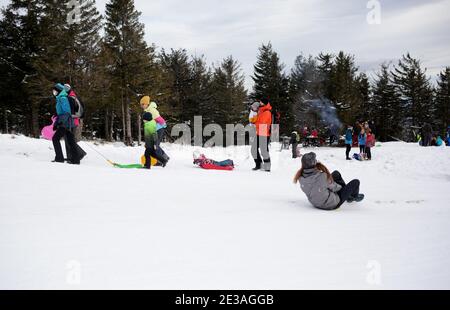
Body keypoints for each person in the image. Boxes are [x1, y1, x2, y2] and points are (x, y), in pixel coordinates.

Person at [294, 152, 365, 211]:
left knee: (336, 174)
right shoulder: (322, 176)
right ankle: (352, 197)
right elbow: (336, 188)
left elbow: (315, 186)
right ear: (314, 163)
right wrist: (344, 189)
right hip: (331, 204)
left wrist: (324, 187)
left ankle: (348, 196)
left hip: (315, 203)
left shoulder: (300, 177)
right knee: (356, 182)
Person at [51, 83, 79, 164]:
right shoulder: (61, 98)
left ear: (59, 91)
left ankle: (59, 158)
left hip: (65, 123)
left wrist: (60, 122)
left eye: (55, 91)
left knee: (55, 139)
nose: (54, 92)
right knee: (71, 141)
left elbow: (67, 112)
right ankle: (75, 159)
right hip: (66, 123)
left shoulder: (63, 98)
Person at [140, 96, 170, 163]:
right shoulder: (148, 110)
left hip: (159, 129)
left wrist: (163, 125)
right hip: (155, 129)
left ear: (146, 104)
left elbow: (159, 119)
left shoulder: (152, 110)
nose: (141, 106)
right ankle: (165, 157)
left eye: (142, 104)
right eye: (141, 104)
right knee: (155, 145)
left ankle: (160, 160)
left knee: (155, 145)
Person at [63, 84, 86, 163]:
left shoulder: (70, 97)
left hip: (71, 121)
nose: (64, 90)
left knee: (69, 139)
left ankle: (78, 154)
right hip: (74, 121)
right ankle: (72, 156)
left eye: (66, 88)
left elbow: (70, 111)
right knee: (69, 139)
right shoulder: (74, 96)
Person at [252, 98, 272, 172]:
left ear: (264, 103)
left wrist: (255, 124)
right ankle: (259, 164)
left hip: (264, 133)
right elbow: (257, 120)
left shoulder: (267, 112)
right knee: (253, 149)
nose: (259, 103)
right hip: (259, 132)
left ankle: (267, 167)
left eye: (261, 102)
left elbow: (262, 123)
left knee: (264, 151)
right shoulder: (261, 111)